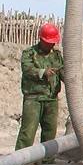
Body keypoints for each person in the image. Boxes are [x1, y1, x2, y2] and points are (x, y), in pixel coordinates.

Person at [15, 23, 64, 151]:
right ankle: (19, 162)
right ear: (41, 40)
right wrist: (43, 72)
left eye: (53, 42)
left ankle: (47, 161)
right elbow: (27, 69)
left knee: (50, 132)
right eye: (49, 42)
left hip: (51, 99)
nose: (52, 45)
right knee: (28, 132)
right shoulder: (29, 53)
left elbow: (63, 71)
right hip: (33, 98)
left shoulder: (57, 55)